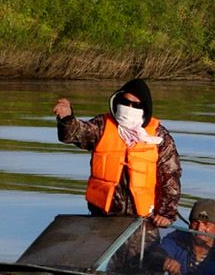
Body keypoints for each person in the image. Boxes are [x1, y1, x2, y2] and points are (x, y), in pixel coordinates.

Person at [53, 80, 181, 232]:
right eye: (125, 102)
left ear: (145, 108)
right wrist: (67, 118)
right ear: (117, 101)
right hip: (102, 219)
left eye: (136, 105)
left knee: (145, 255)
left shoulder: (160, 136)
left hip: (144, 223)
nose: (129, 108)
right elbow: (75, 134)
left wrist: (166, 213)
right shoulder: (102, 126)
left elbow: (170, 177)